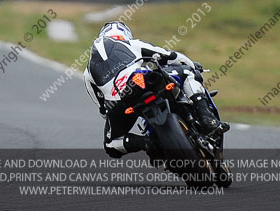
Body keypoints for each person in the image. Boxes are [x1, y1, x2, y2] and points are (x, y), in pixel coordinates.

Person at [83, 21, 229, 157]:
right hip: (143, 81)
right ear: (125, 35)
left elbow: (103, 110)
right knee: (187, 72)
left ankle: (148, 143)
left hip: (120, 103)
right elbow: (170, 55)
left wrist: (114, 109)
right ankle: (206, 118)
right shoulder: (132, 44)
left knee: (110, 145)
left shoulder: (87, 72)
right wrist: (192, 64)